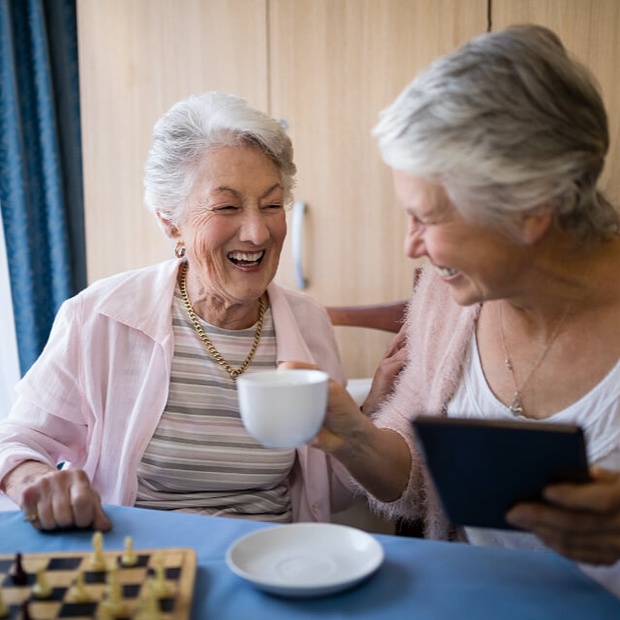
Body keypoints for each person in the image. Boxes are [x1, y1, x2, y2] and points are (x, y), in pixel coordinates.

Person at [285, 24, 620, 596]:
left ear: (531, 208)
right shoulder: (447, 296)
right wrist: (353, 437)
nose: (410, 245)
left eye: (428, 218)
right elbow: (417, 480)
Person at [0, 91, 355, 531]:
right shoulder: (100, 316)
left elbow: (334, 493)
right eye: (227, 207)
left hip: (272, 560)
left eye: (271, 205)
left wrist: (370, 413)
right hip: (142, 559)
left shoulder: (307, 323)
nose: (257, 232)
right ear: (170, 221)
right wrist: (35, 479)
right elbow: (15, 440)